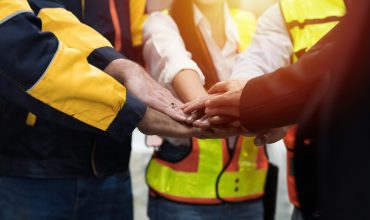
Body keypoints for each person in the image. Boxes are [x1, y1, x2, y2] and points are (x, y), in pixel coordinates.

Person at [0, 1, 225, 220]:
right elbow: (26, 48)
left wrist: (124, 67)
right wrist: (133, 112)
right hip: (36, 166)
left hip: (111, 163)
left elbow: (62, 25)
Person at [182, 0, 370, 219]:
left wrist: (259, 105)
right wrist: (251, 103)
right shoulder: (290, 8)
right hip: (313, 199)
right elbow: (258, 59)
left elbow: (339, 66)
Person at [142, 0, 281, 219]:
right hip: (184, 200)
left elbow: (267, 73)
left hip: (249, 194)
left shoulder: (250, 22)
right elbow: (177, 65)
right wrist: (259, 113)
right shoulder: (163, 21)